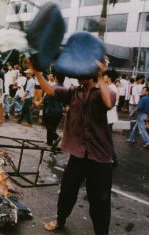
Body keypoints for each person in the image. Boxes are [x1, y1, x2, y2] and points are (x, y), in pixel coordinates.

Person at [28, 59, 116, 235]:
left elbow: (109, 103)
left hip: (100, 157)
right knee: (67, 192)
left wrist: (100, 76)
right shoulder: (73, 93)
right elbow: (50, 89)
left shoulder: (105, 92)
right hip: (78, 155)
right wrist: (36, 71)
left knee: (99, 201)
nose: (77, 78)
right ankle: (61, 219)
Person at [42, 73, 64, 147]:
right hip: (59, 111)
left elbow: (46, 98)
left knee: (48, 126)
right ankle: (49, 142)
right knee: (53, 127)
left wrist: (39, 103)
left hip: (51, 110)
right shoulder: (64, 88)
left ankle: (56, 137)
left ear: (55, 78)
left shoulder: (52, 88)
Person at [103, 70, 119, 167]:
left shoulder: (112, 88)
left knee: (107, 138)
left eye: (104, 76)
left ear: (109, 77)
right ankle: (111, 157)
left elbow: (111, 104)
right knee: (106, 138)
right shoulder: (109, 87)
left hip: (109, 117)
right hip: (107, 117)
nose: (103, 78)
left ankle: (113, 158)